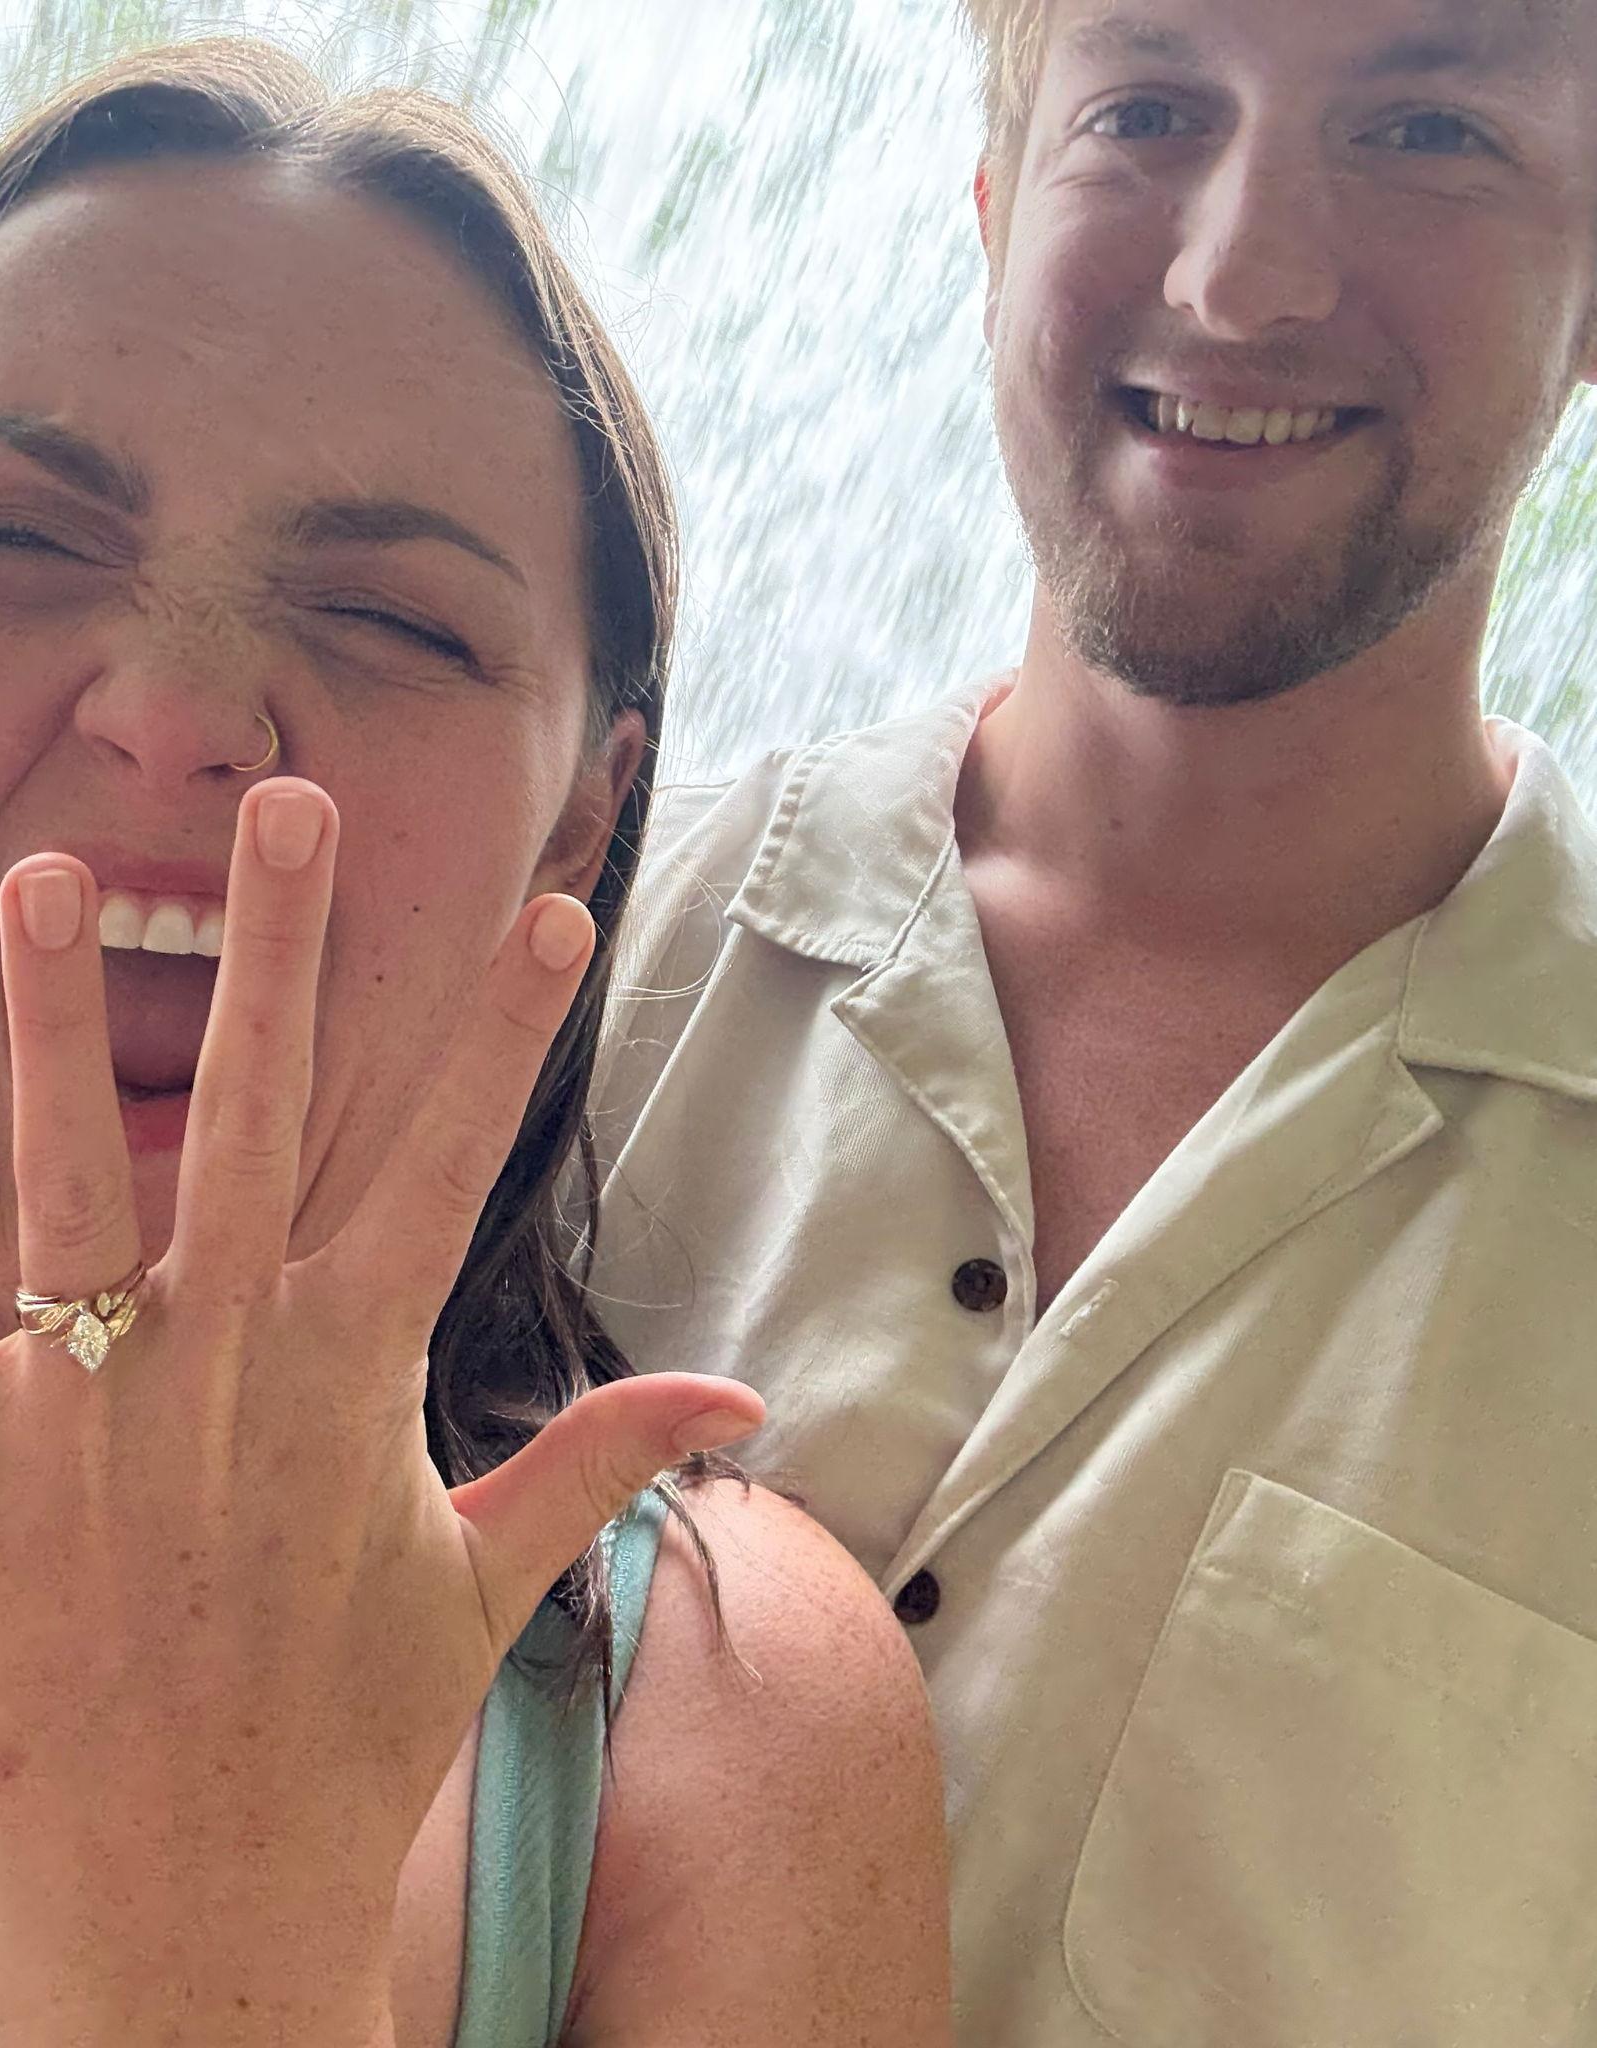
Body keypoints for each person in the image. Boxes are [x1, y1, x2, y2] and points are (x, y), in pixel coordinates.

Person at [0, 40, 952, 2048]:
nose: (185, 705)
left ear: (584, 813)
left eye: (395, 619)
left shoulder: (724, 1722)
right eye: (10, 538)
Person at [589, 0, 1597, 2040]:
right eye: (1145, 109)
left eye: (1421, 128)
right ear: (989, 211)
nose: (1241, 274)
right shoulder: (565, 978)